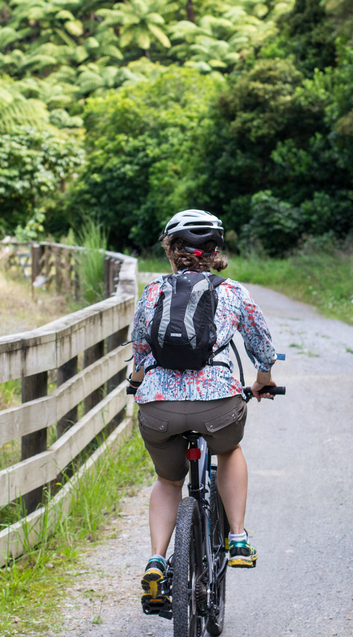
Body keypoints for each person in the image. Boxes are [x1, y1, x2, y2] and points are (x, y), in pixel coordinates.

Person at [128, 209, 279, 611]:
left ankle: (158, 561)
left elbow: (140, 352)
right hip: (217, 405)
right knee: (228, 450)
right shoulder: (232, 292)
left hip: (159, 408)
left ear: (171, 251)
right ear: (215, 252)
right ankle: (238, 537)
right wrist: (263, 379)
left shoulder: (152, 292)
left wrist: (139, 385)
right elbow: (261, 343)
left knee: (167, 480)